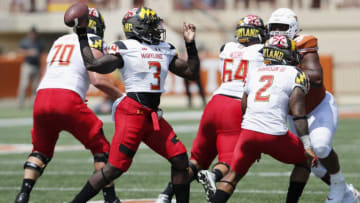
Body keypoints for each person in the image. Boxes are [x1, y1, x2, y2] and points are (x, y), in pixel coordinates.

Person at [69, 6, 200, 203]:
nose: (157, 28)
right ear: (138, 28)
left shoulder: (164, 49)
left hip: (153, 117)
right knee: (115, 168)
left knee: (180, 158)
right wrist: (81, 34)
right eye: (151, 25)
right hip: (132, 114)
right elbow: (93, 65)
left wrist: (190, 44)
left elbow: (192, 73)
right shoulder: (125, 48)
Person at [14, 8, 122, 203]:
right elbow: (97, 80)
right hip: (67, 98)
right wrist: (121, 96)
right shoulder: (93, 41)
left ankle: (23, 194)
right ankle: (110, 198)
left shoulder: (59, 40)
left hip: (42, 97)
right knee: (102, 148)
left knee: (40, 151)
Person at [156, 15, 266, 203]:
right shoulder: (262, 51)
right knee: (231, 162)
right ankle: (214, 176)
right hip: (236, 106)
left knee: (196, 159)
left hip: (215, 103)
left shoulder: (227, 48)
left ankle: (166, 195)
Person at [267, 8, 360, 203]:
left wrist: (289, 66)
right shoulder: (265, 47)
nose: (276, 32)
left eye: (281, 27)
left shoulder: (304, 42)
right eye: (273, 27)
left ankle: (338, 184)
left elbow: (316, 78)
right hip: (294, 113)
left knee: (320, 146)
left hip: (318, 106)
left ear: (293, 28)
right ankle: (347, 191)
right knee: (312, 163)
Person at [210, 35, 317, 203]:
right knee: (305, 161)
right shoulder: (295, 74)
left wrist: (253, 139)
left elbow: (244, 105)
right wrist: (307, 145)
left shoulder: (254, 72)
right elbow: (298, 113)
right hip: (275, 134)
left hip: (248, 133)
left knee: (232, 176)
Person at [17, 26, 45, 108]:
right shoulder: (25, 41)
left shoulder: (39, 42)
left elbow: (42, 54)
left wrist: (42, 67)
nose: (33, 35)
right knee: (24, 85)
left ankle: (33, 104)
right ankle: (20, 104)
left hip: (36, 66)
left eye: (34, 33)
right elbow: (20, 51)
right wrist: (29, 52)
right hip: (27, 65)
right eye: (32, 33)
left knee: (35, 86)